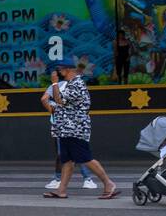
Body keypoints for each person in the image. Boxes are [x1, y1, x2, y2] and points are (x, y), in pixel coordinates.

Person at [43, 61, 118, 199]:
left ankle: (109, 184)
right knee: (67, 160)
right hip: (66, 128)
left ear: (67, 70)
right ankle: (62, 190)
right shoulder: (71, 84)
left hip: (75, 129)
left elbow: (60, 100)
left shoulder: (77, 84)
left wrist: (54, 83)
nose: (57, 73)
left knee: (86, 158)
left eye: (59, 69)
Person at [42, 70, 96, 190]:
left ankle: (102, 182)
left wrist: (54, 111)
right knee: (70, 157)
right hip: (72, 125)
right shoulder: (76, 84)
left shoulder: (69, 85)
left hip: (68, 126)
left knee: (74, 155)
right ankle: (65, 186)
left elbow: (49, 99)